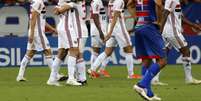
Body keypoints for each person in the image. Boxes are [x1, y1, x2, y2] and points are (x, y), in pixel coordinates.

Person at [88, 0, 141, 79]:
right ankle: (131, 74)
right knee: (129, 49)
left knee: (107, 52)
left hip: (111, 25)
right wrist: (110, 32)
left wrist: (110, 31)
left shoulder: (111, 1)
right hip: (118, 27)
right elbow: (115, 17)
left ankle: (92, 69)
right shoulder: (120, 1)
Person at [127, 0, 167, 100]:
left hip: (139, 27)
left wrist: (137, 18)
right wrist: (159, 22)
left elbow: (129, 5)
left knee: (146, 60)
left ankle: (149, 93)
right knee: (163, 60)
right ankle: (141, 85)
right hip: (149, 26)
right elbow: (158, 4)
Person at [16, 0, 62, 82]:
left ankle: (20, 76)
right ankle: (56, 75)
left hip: (35, 32)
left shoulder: (36, 2)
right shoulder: (38, 2)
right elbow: (33, 18)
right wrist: (32, 33)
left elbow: (41, 20)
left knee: (30, 53)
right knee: (47, 51)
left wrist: (53, 29)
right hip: (37, 33)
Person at [161, 0, 201, 84]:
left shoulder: (176, 1)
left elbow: (180, 17)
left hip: (169, 31)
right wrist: (159, 31)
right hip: (173, 31)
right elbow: (165, 13)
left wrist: (193, 25)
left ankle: (154, 79)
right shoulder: (171, 0)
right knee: (186, 51)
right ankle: (189, 79)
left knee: (163, 55)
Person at [89, 0, 111, 77]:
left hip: (95, 29)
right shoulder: (97, 1)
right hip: (99, 30)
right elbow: (95, 16)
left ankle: (93, 72)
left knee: (95, 51)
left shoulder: (95, 1)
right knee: (110, 48)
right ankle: (101, 70)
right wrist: (100, 31)